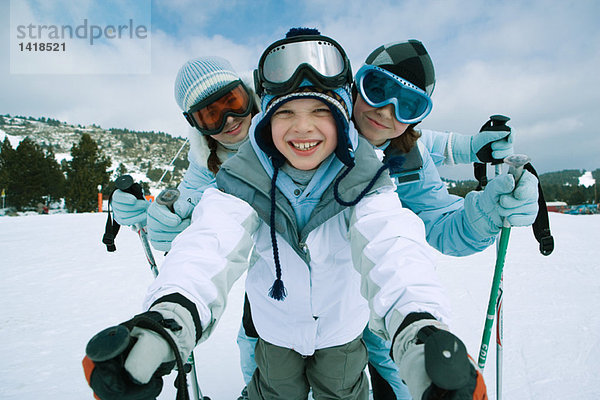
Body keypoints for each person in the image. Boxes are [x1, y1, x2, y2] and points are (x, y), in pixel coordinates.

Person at [83, 28, 487, 400]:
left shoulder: (364, 175)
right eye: (286, 114)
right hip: (273, 327)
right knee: (270, 384)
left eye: (321, 113)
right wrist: (170, 316)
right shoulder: (243, 176)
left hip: (340, 330)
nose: (303, 128)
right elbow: (210, 241)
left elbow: (391, 245)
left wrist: (419, 326)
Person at [109, 56, 258, 252]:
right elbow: (185, 202)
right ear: (196, 124)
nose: (229, 119)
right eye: (212, 116)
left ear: (247, 95)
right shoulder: (204, 162)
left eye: (234, 102)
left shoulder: (286, 120)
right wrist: (151, 217)